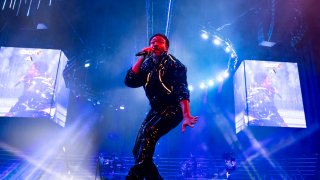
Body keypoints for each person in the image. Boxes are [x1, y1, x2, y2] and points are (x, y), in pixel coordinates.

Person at [124, 33, 198, 179]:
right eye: (152, 42)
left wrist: (186, 114)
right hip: (156, 110)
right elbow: (130, 81)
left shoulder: (174, 64)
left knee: (149, 132)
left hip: (173, 108)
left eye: (160, 42)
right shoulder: (146, 64)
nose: (155, 44)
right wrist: (142, 57)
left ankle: (134, 176)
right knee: (138, 149)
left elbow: (182, 89)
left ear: (166, 47)